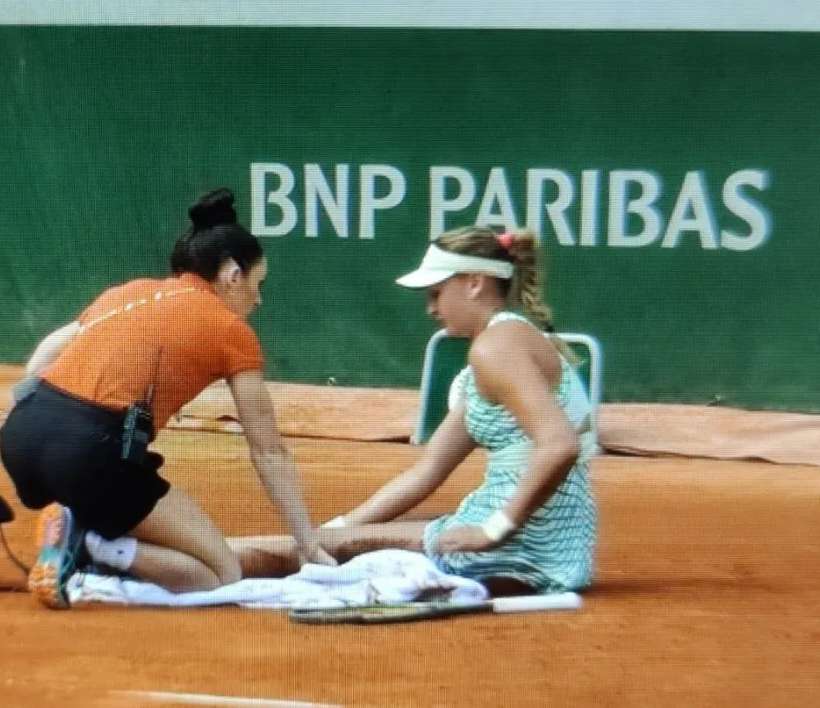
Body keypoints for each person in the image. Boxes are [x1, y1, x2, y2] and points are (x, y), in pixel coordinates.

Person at [0, 188, 335, 608]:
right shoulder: (232, 332)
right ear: (232, 274)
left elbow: (44, 356)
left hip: (22, 436)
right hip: (86, 456)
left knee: (106, 490)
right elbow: (268, 452)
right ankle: (94, 546)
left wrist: (40, 420)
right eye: (257, 283)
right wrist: (308, 545)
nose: (258, 299)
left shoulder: (130, 291)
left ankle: (83, 523)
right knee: (219, 574)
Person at [230, 226, 598, 597]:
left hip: (521, 547)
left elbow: (558, 443)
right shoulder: (506, 343)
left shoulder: (496, 348)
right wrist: (336, 529)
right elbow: (427, 471)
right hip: (555, 545)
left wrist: (495, 529)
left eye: (436, 294)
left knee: (299, 550)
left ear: (474, 283)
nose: (431, 309)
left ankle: (187, 568)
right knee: (336, 541)